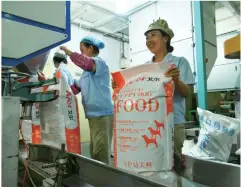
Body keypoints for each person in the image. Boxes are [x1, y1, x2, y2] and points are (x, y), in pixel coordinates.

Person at [112, 18, 195, 185]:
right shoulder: (145, 68)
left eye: (153, 35)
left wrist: (177, 80)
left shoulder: (179, 62)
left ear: (165, 38)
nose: (149, 40)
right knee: (151, 167)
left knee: (173, 165)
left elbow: (187, 94)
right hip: (148, 125)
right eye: (147, 36)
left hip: (173, 123)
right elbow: (136, 92)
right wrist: (119, 85)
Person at [60, 36, 113, 165]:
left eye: (82, 50)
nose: (82, 53)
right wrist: (60, 79)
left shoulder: (100, 63)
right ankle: (98, 178)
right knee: (95, 151)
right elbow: (75, 88)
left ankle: (104, 182)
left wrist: (69, 53)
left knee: (100, 152)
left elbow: (86, 63)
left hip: (103, 114)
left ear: (90, 48)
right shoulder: (85, 74)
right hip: (93, 116)